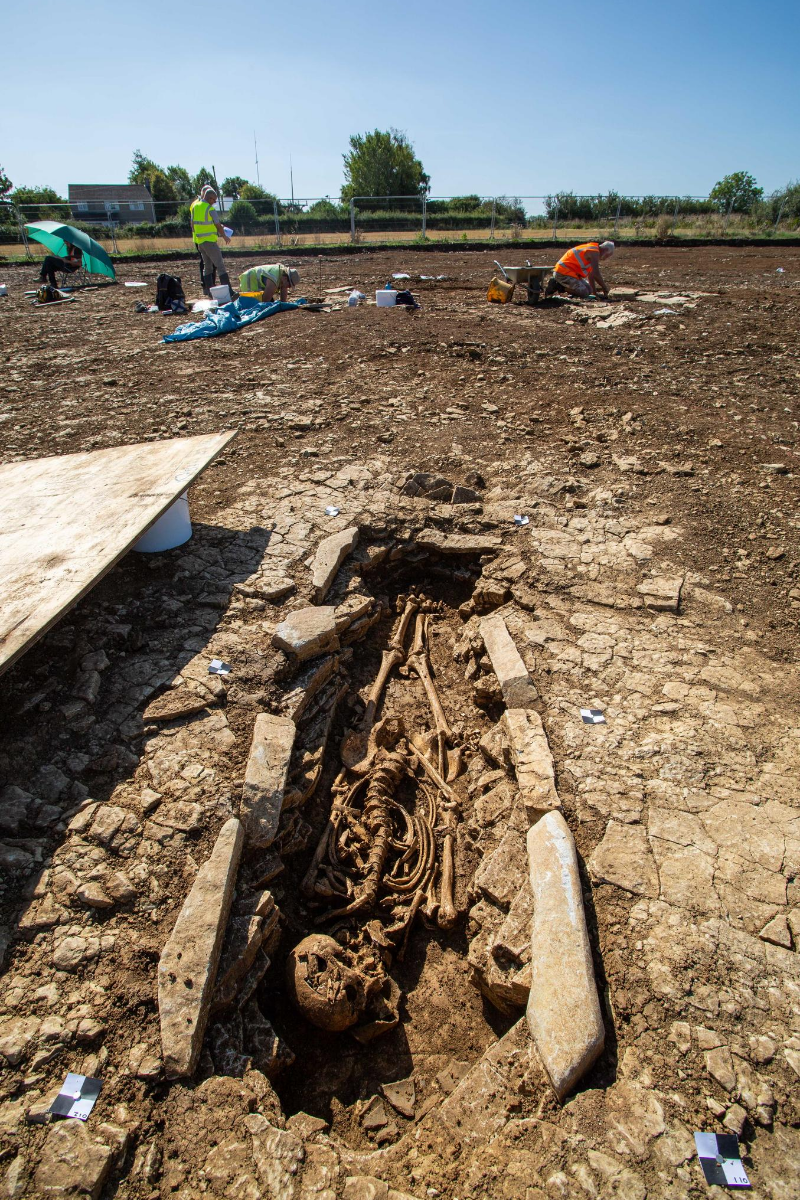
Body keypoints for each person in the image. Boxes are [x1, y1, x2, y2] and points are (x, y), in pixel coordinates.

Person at [190, 184, 235, 298]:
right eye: (214, 200)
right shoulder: (210, 209)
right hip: (210, 241)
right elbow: (218, 225)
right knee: (220, 265)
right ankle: (229, 291)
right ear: (209, 198)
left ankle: (210, 292)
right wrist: (224, 236)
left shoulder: (195, 206)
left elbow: (192, 225)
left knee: (207, 266)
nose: (214, 202)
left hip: (200, 242)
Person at [546, 240, 615, 299]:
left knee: (589, 290)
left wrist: (594, 293)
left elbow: (591, 274)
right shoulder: (594, 252)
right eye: (608, 255)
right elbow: (596, 273)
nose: (606, 258)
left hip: (570, 273)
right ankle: (558, 286)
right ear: (605, 250)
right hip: (562, 273)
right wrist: (604, 288)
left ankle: (569, 289)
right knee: (584, 293)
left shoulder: (593, 250)